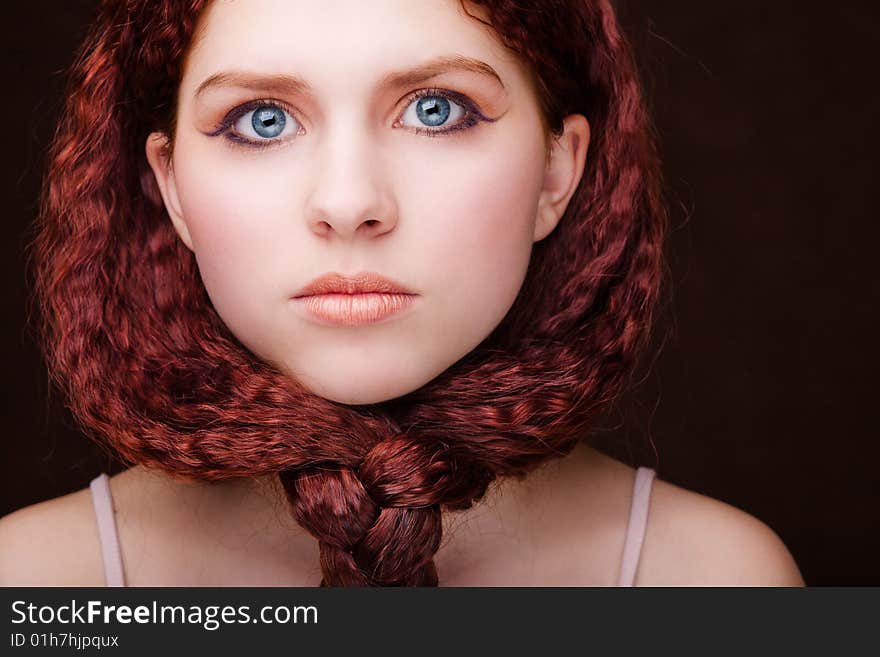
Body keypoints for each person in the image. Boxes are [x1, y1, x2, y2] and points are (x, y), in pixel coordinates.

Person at [0, 0, 803, 587]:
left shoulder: (718, 581)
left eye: (436, 109)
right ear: (170, 187)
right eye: (263, 120)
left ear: (558, 170)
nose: (350, 203)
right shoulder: (33, 587)